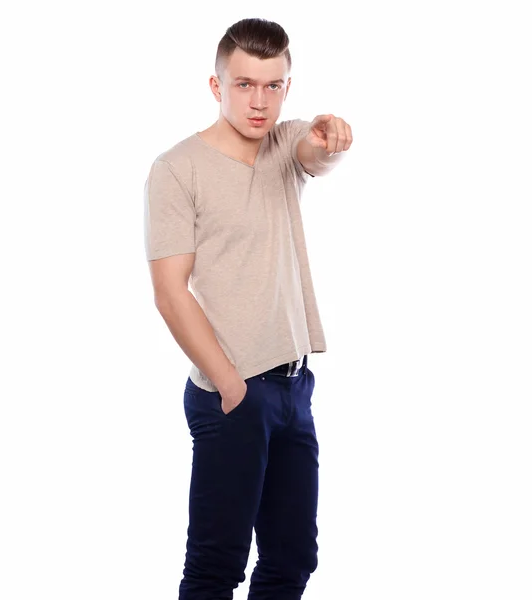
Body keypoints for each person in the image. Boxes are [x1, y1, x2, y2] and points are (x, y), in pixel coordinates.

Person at [143, 17, 353, 600]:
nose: (259, 102)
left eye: (273, 85)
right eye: (244, 85)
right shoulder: (176, 169)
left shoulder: (286, 142)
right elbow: (169, 292)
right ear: (217, 87)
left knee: (292, 560)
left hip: (294, 386)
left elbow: (316, 151)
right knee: (217, 569)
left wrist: (330, 136)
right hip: (230, 394)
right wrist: (231, 385)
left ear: (287, 86)